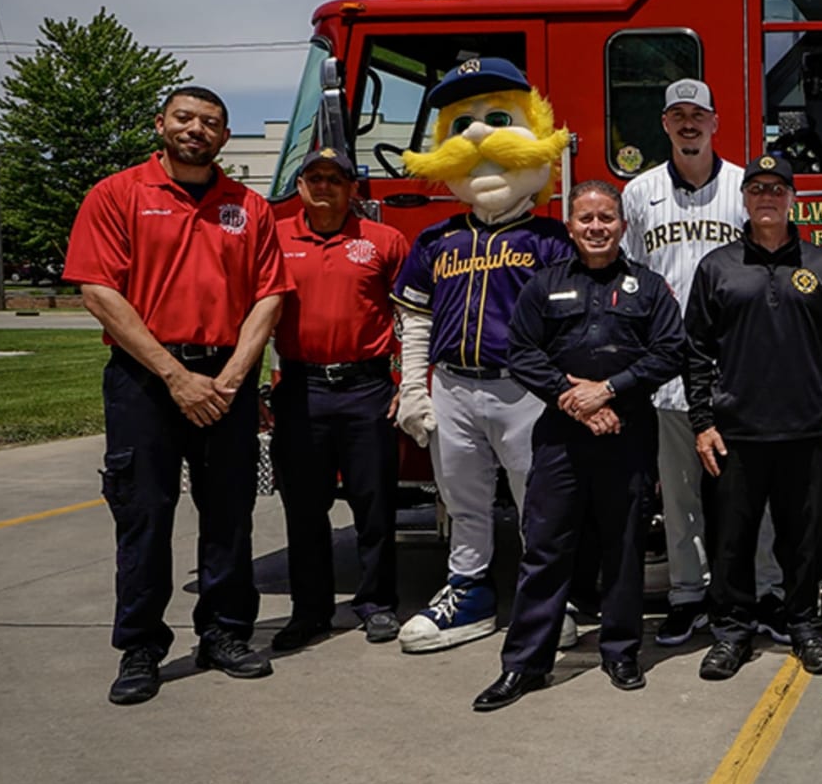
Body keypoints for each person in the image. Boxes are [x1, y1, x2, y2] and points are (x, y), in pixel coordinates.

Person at [64, 86, 292, 703]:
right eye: (185, 118)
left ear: (224, 137)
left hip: (226, 380)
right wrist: (175, 376)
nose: (197, 129)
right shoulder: (116, 195)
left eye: (211, 123)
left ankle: (224, 633)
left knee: (230, 514)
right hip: (146, 380)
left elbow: (269, 294)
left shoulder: (248, 206)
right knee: (144, 515)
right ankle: (140, 646)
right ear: (161, 123)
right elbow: (99, 292)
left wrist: (234, 376)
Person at [473, 182, 688, 710]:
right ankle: (525, 664)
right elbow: (519, 351)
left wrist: (610, 391)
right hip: (561, 438)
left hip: (628, 433)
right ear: (569, 227)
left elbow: (671, 352)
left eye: (607, 218)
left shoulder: (650, 287)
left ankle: (620, 651)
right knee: (546, 549)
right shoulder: (543, 286)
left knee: (623, 546)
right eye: (586, 218)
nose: (597, 227)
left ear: (623, 225)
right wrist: (571, 396)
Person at [389, 58, 576, 653]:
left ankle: (548, 601)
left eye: (498, 121)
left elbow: (570, 325)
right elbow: (414, 317)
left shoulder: (552, 239)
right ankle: (467, 593)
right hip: (454, 387)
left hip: (524, 390)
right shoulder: (436, 239)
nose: (478, 139)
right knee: (463, 500)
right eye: (463, 127)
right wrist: (415, 388)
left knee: (536, 502)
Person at [686, 154, 822, 681]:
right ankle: (732, 633)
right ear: (744, 198)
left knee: (807, 540)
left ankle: (803, 625)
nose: (766, 197)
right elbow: (694, 351)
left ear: (791, 197)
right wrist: (702, 422)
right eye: (756, 188)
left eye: (776, 188)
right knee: (730, 540)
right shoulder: (717, 267)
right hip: (735, 432)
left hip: (808, 430)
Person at [620, 78, 748, 647]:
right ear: (665, 124)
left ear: (715, 122)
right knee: (678, 494)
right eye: (678, 116)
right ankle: (687, 595)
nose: (689, 124)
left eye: (699, 114)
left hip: (739, 366)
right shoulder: (639, 192)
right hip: (669, 370)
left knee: (748, 493)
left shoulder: (745, 186)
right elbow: (630, 281)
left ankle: (749, 593)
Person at [267, 144, 408, 649]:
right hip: (300, 389)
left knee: (376, 506)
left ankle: (376, 604)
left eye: (335, 178)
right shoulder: (274, 238)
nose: (324, 186)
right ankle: (310, 612)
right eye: (314, 178)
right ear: (300, 187)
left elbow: (411, 317)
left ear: (353, 188)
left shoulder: (384, 241)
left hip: (366, 387)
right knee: (304, 509)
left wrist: (405, 381)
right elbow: (256, 313)